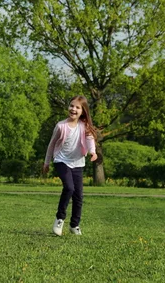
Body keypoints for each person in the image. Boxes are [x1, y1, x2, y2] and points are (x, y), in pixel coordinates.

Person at [43, 95, 98, 236]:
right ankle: (59, 219)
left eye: (77, 107)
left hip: (78, 163)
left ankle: (74, 225)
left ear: (83, 111)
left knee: (78, 196)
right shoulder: (61, 126)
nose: (73, 109)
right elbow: (51, 145)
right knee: (69, 187)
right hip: (62, 161)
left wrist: (93, 152)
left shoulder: (84, 126)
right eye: (71, 105)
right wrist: (47, 162)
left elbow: (90, 140)